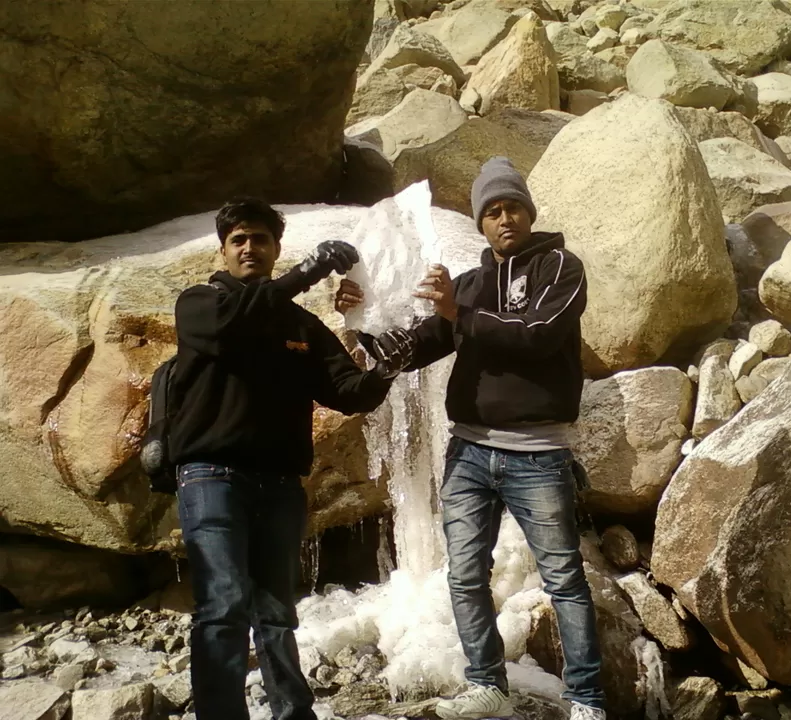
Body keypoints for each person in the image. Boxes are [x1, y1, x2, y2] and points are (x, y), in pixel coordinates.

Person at [336, 157, 605, 720]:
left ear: (529, 213)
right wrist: (358, 322)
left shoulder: (562, 268)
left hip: (538, 452)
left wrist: (459, 311)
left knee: (563, 579)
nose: (504, 219)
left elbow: (538, 337)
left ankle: (586, 699)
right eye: (492, 211)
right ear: (481, 223)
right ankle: (488, 684)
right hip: (469, 451)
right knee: (463, 575)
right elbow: (410, 352)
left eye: (512, 208)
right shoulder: (471, 283)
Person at [170, 197, 413, 720]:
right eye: (240, 240)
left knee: (277, 613)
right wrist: (309, 271)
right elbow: (233, 324)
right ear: (224, 250)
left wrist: (386, 367)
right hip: (211, 477)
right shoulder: (200, 304)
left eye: (260, 238)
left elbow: (348, 391)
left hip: (279, 483)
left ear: (275, 248)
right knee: (223, 605)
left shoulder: (298, 324)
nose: (250, 248)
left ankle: (292, 713)